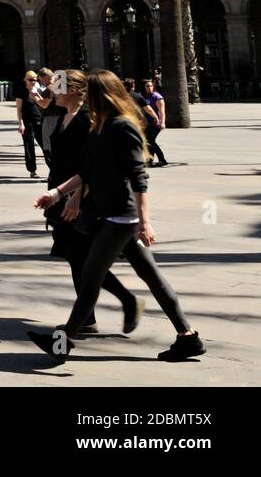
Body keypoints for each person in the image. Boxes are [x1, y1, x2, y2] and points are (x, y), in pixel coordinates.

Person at [31, 70, 203, 362]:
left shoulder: (122, 127)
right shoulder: (102, 126)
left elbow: (138, 177)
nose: (88, 101)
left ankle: (61, 343)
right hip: (112, 215)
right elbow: (87, 171)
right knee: (152, 277)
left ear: (102, 95)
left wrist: (145, 222)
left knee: (89, 278)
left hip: (121, 218)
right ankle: (188, 337)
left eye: (93, 95)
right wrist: (57, 194)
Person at [40, 69, 140, 337]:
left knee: (83, 258)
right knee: (77, 258)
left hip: (82, 197)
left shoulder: (87, 119)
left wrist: (74, 196)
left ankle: (119, 304)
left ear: (72, 89)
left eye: (57, 86)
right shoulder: (63, 115)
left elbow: (91, 165)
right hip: (61, 193)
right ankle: (92, 317)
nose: (52, 90)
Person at [14, 69, 44, 178]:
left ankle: (52, 167)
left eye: (35, 80)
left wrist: (37, 95)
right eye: (30, 80)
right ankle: (32, 170)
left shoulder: (38, 90)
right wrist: (20, 123)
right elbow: (19, 109)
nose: (33, 82)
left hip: (39, 119)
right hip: (27, 121)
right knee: (29, 145)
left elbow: (43, 104)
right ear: (26, 80)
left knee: (45, 144)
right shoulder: (21, 91)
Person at [140, 79, 168, 167]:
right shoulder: (143, 97)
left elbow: (162, 111)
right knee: (149, 141)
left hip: (156, 123)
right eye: (147, 86)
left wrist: (162, 122)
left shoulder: (157, 97)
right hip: (146, 123)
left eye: (151, 86)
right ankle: (150, 160)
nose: (150, 88)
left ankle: (162, 159)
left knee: (150, 141)